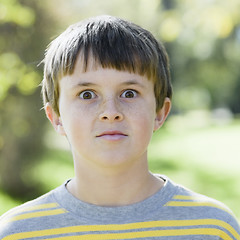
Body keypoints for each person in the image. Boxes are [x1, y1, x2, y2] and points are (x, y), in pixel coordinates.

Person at [0, 15, 239, 240]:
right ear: (56, 117)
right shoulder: (17, 232)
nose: (110, 112)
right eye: (86, 94)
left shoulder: (212, 228)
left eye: (129, 93)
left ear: (160, 113)